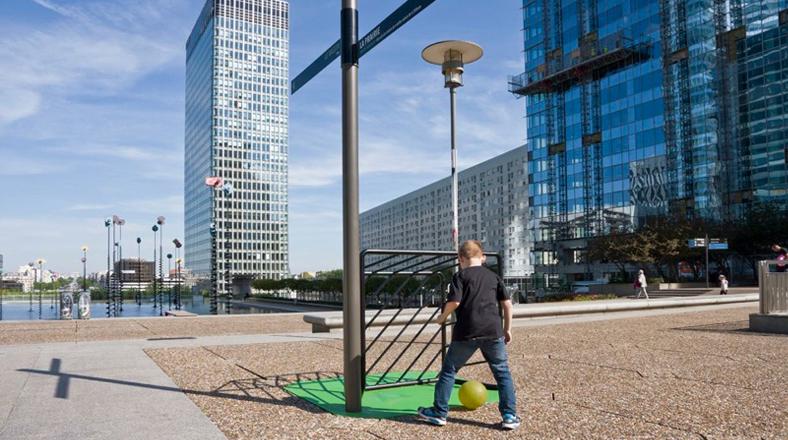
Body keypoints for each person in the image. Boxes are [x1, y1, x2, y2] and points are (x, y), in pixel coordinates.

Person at [417, 240, 520, 430]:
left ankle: (439, 413)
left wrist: (442, 317)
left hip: (466, 332)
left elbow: (455, 302)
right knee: (502, 372)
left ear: (460, 258)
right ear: (483, 257)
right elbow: (507, 304)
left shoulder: (460, 276)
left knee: (449, 371)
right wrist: (507, 329)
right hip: (493, 331)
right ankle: (509, 416)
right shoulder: (493, 277)